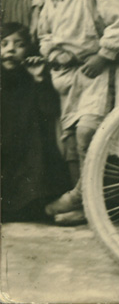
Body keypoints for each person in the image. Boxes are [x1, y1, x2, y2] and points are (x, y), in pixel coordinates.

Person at [37, 0, 119, 225]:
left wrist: (104, 54)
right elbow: (45, 33)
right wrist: (51, 52)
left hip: (92, 74)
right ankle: (85, 207)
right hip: (65, 78)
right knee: (67, 141)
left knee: (88, 132)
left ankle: (83, 196)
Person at [1, 22, 70, 224]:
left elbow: (50, 111)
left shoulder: (31, 76)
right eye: (4, 44)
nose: (10, 50)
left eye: (19, 44)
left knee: (34, 198)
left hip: (27, 152)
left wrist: (39, 78)